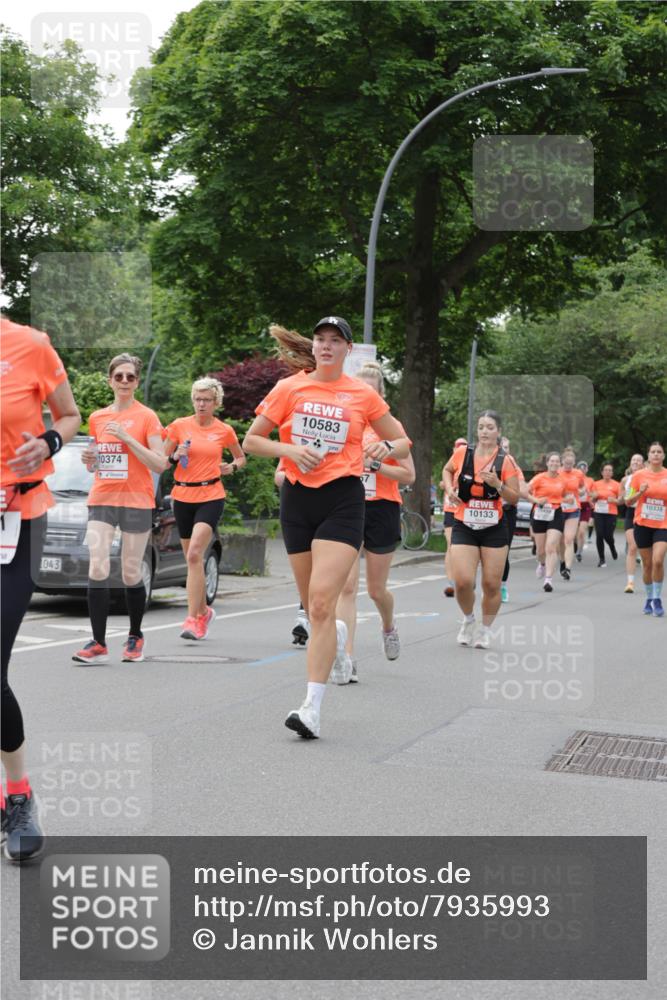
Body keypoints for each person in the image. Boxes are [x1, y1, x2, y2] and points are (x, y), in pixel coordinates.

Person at [243, 317, 409, 739]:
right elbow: (251, 441)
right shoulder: (289, 388)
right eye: (320, 339)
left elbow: (403, 441)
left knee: (319, 604)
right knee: (313, 607)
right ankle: (333, 633)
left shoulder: (362, 394)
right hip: (298, 499)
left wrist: (383, 446)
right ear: (313, 347)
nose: (326, 346)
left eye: (335, 341)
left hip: (343, 500)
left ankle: (311, 709)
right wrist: (290, 450)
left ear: (347, 350)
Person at [1, 316, 80, 861]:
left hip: (18, 520)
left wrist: (49, 443)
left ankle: (18, 795)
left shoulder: (30, 345)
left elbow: (69, 415)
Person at [73, 354, 167, 664]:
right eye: (119, 376)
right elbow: (96, 462)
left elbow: (160, 463)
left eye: (130, 377)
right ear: (110, 381)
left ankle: (135, 636)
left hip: (136, 500)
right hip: (102, 497)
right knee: (97, 567)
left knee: (129, 571)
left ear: (137, 382)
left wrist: (128, 438)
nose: (124, 381)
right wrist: (90, 460)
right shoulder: (98, 417)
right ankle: (98, 642)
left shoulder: (147, 417)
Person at [335, 361, 416, 683]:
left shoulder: (390, 426)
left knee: (376, 590)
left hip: (383, 506)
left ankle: (388, 626)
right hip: (349, 506)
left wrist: (377, 465)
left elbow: (409, 475)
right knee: (347, 587)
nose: (365, 394)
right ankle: (347, 658)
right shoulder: (345, 422)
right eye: (360, 388)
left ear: (380, 394)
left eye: (371, 389)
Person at [165, 378, 245, 640]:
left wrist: (232, 467)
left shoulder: (224, 430)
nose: (201, 404)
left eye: (207, 400)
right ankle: (203, 612)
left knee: (194, 554)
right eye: (198, 399)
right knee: (193, 561)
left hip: (211, 495)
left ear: (215, 402)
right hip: (182, 495)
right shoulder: (178, 426)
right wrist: (174, 455)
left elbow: (241, 457)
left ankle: (192, 620)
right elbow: (162, 460)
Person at [441, 411, 520, 649]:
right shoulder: (463, 453)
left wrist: (498, 484)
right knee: (463, 581)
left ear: (499, 431)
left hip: (494, 527)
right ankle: (468, 619)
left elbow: (514, 498)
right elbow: (447, 470)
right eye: (481, 427)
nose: (485, 431)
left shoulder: (505, 461)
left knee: (491, 585)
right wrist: (449, 489)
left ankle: (485, 630)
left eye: (490, 427)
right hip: (464, 523)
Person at [626, 442, 667, 617]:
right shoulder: (638, 475)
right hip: (642, 524)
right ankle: (649, 598)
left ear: (663, 456)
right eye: (653, 452)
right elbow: (628, 501)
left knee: (658, 560)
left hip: (663, 525)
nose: (656, 454)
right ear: (648, 456)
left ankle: (657, 599)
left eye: (659, 452)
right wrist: (640, 493)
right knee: (647, 564)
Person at [525, 452, 576, 593]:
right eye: (552, 461)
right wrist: (536, 500)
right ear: (547, 463)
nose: (554, 463)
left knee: (551, 547)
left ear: (560, 464)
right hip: (540, 513)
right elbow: (525, 492)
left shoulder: (562, 480)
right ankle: (542, 563)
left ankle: (548, 579)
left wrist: (569, 499)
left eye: (557, 461)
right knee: (541, 550)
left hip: (556, 513)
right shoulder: (539, 478)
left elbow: (566, 495)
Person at [499, 435, 526, 603]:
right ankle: (488, 585)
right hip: (488, 511)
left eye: (507, 448)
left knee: (504, 551)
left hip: (507, 512)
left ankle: (502, 586)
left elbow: (523, 489)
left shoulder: (514, 466)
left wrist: (504, 487)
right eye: (501, 447)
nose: (504, 450)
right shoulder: (485, 463)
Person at [440, 437, 467, 597]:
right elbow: (444, 481)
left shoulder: (470, 463)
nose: (460, 449)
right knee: (451, 545)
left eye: (464, 446)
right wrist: (448, 486)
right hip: (450, 509)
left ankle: (465, 578)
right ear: (453, 449)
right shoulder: (451, 463)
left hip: (466, 511)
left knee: (464, 548)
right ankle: (451, 583)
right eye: (458, 446)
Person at [557, 447, 586, 580]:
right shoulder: (557, 472)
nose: (568, 466)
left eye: (571, 463)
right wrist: (563, 498)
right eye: (566, 463)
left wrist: (581, 491)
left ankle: (568, 569)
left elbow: (582, 486)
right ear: (562, 461)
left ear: (574, 462)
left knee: (569, 539)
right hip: (559, 508)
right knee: (560, 540)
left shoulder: (578, 473)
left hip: (574, 509)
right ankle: (562, 562)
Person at [590, 463, 623, 568]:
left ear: (612, 473)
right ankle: (602, 559)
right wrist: (594, 497)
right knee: (599, 534)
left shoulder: (617, 485)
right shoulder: (596, 484)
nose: (608, 472)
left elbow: (621, 501)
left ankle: (612, 547)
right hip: (599, 512)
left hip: (611, 513)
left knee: (608, 535)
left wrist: (615, 500)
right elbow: (591, 499)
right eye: (606, 470)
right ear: (602, 472)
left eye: (610, 470)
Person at [621, 453, 644, 593]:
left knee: (645, 549)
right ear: (630, 463)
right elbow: (624, 499)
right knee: (632, 547)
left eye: (638, 460)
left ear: (643, 464)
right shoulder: (626, 479)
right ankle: (630, 582)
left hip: (645, 513)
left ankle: (648, 578)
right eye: (633, 460)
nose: (635, 462)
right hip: (631, 512)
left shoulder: (648, 477)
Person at [575, 461, 594, 561]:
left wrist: (591, 496)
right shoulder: (573, 479)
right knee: (574, 532)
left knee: (582, 531)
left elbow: (594, 493)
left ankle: (579, 551)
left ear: (587, 470)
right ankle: (575, 544)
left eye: (584, 468)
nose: (582, 470)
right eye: (580, 468)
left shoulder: (590, 480)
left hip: (585, 506)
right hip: (574, 505)